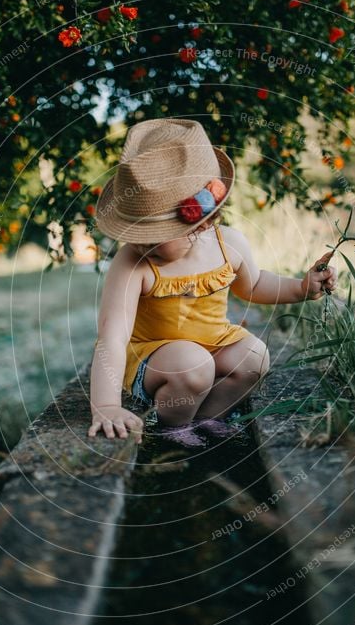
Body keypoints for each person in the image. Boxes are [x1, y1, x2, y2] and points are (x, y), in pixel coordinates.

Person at [88, 118, 337, 446]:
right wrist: (105, 405)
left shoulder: (229, 244)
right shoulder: (132, 261)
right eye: (135, 233)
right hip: (157, 363)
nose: (139, 243)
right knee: (193, 365)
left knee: (254, 356)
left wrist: (302, 289)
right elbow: (112, 337)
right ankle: (172, 428)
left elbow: (255, 284)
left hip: (210, 347)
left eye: (153, 235)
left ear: (200, 225)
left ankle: (210, 417)